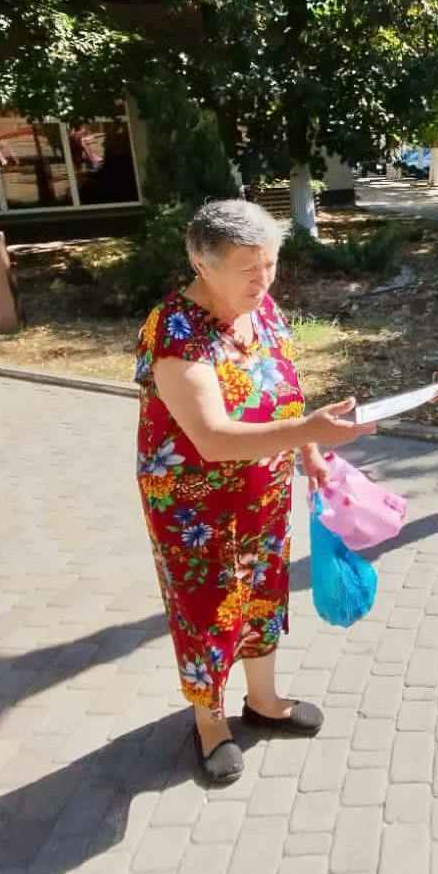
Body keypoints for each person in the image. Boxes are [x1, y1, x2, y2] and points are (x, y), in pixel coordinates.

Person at [134, 199, 375, 784]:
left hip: (261, 494)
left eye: (269, 263)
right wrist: (310, 430)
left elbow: (286, 391)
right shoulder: (174, 329)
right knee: (206, 608)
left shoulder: (264, 312)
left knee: (263, 592)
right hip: (192, 503)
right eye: (247, 266)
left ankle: (262, 702)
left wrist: (311, 455)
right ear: (201, 261)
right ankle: (209, 721)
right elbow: (212, 438)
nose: (262, 279)